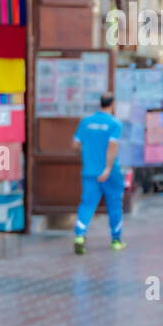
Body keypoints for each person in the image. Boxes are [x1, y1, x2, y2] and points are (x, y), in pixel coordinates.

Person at [71, 92, 124, 254]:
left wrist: (88, 152)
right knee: (114, 205)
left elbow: (75, 146)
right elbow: (112, 147)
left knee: (87, 204)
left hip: (89, 171)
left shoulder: (85, 122)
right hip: (110, 172)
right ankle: (116, 240)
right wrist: (107, 168)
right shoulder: (115, 124)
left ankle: (80, 235)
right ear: (112, 105)